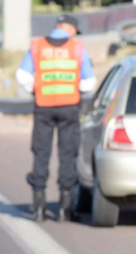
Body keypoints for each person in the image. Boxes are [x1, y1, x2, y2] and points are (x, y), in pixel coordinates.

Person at [15, 15, 96, 222]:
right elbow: (89, 82)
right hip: (69, 108)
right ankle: (65, 210)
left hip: (43, 107)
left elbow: (22, 76)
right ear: (70, 29)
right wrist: (74, 88)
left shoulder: (37, 46)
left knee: (41, 153)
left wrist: (36, 89)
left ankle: (38, 208)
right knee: (67, 155)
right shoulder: (77, 48)